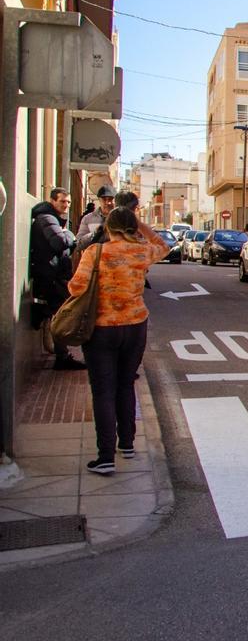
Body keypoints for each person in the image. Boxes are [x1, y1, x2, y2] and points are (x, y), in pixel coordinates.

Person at [67, 207, 170, 475]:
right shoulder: (141, 251)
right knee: (126, 384)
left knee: (103, 390)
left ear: (108, 227)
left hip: (101, 328)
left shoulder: (95, 253)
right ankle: (127, 443)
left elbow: (76, 287)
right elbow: (164, 245)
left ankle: (105, 456)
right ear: (132, 227)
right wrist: (141, 224)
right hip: (135, 326)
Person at [30, 188, 86, 370]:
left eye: (68, 202)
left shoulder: (53, 219)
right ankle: (62, 357)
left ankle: (62, 355)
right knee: (61, 316)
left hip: (53, 275)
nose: (66, 205)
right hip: (50, 277)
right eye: (62, 201)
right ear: (52, 201)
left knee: (58, 315)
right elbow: (60, 243)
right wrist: (69, 235)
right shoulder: (47, 218)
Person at [75, 184, 116, 251]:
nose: (108, 203)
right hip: (94, 259)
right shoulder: (88, 218)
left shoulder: (121, 218)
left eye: (110, 199)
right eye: (104, 199)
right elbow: (78, 244)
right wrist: (96, 233)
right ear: (99, 200)